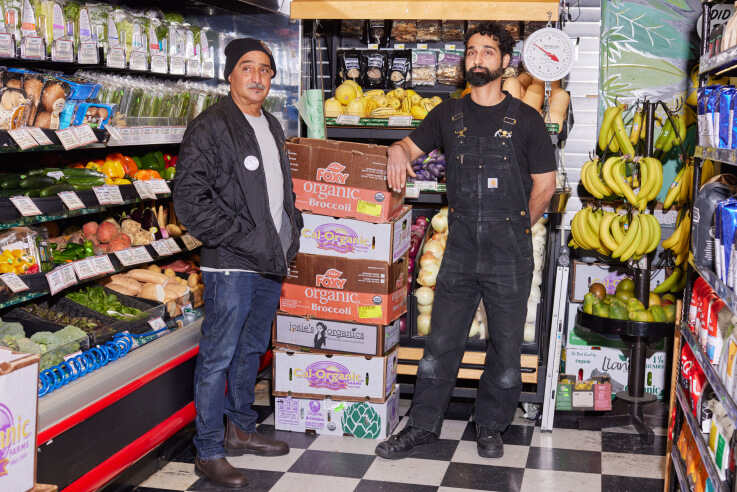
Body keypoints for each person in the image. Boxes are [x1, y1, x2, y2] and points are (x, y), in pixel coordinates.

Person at [376, 23, 557, 460]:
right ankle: (422, 425)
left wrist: (515, 228)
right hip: (458, 249)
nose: (478, 59)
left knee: (506, 348)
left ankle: (491, 426)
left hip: (508, 251)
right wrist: (397, 151)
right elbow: (406, 147)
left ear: (505, 62)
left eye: (488, 52)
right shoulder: (446, 115)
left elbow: (545, 186)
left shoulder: (527, 119)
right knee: (440, 344)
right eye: (472, 52)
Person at [174, 38, 303, 488]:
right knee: (217, 356)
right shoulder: (210, 126)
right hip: (230, 262)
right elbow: (190, 202)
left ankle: (241, 429)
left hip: (269, 260)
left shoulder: (270, 124)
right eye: (248, 68)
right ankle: (208, 450)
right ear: (230, 75)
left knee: (252, 349)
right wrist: (245, 239)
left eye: (266, 69)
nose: (258, 77)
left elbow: (279, 191)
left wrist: (293, 228)